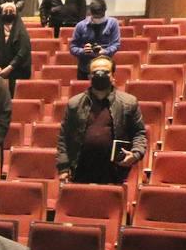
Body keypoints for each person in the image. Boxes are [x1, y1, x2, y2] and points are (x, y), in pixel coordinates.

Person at [56, 56, 146, 185]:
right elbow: (64, 137)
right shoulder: (74, 103)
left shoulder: (129, 102)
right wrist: (63, 168)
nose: (100, 75)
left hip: (114, 172)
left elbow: (139, 133)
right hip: (80, 171)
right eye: (95, 72)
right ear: (89, 77)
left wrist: (135, 154)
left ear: (113, 76)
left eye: (105, 72)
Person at [69, 0, 121, 80]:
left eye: (100, 17)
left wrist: (105, 51)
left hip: (105, 68)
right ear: (90, 12)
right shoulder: (80, 26)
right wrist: (83, 51)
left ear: (105, 11)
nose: (98, 20)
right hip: (85, 69)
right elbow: (73, 47)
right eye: (95, 17)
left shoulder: (113, 23)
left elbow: (116, 44)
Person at [0, 2, 31, 96]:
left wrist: (10, 68)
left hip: (17, 72)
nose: (8, 13)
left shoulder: (22, 33)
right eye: (5, 11)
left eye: (11, 11)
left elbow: (23, 53)